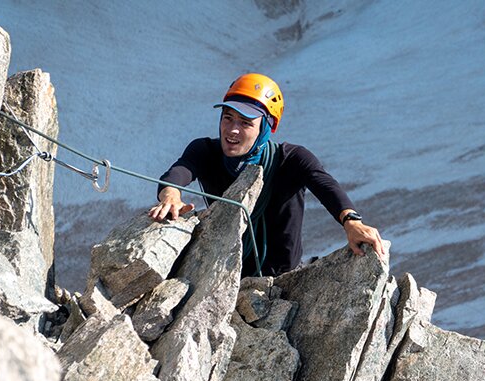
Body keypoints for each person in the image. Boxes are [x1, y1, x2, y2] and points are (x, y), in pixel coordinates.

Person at [149, 73, 384, 277]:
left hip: (281, 279)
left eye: (245, 123)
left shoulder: (291, 159)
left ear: (267, 127)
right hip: (224, 274)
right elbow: (180, 170)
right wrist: (171, 195)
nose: (232, 129)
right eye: (227, 118)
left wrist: (351, 221)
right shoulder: (205, 151)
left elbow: (325, 185)